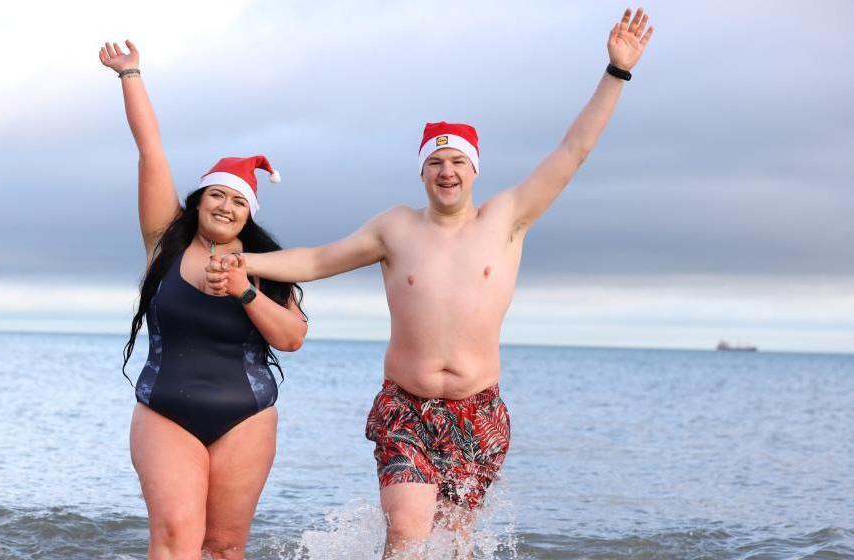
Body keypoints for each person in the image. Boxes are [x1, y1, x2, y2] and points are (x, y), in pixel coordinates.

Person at [206, 9, 654, 558]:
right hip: (407, 408)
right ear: (422, 172)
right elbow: (319, 260)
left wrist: (616, 72)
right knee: (408, 530)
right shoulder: (395, 228)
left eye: (458, 161)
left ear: (475, 170)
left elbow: (572, 152)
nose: (447, 171)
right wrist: (245, 262)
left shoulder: (507, 218)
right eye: (436, 162)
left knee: (456, 541)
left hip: (479, 411)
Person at [100, 40, 308, 560]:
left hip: (247, 418)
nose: (226, 206)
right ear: (199, 199)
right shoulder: (164, 242)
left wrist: (245, 291)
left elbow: (292, 337)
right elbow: (151, 151)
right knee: (174, 537)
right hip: (164, 412)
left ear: (248, 215)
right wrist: (131, 74)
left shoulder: (267, 266)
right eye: (218, 193)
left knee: (223, 547)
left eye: (239, 201)